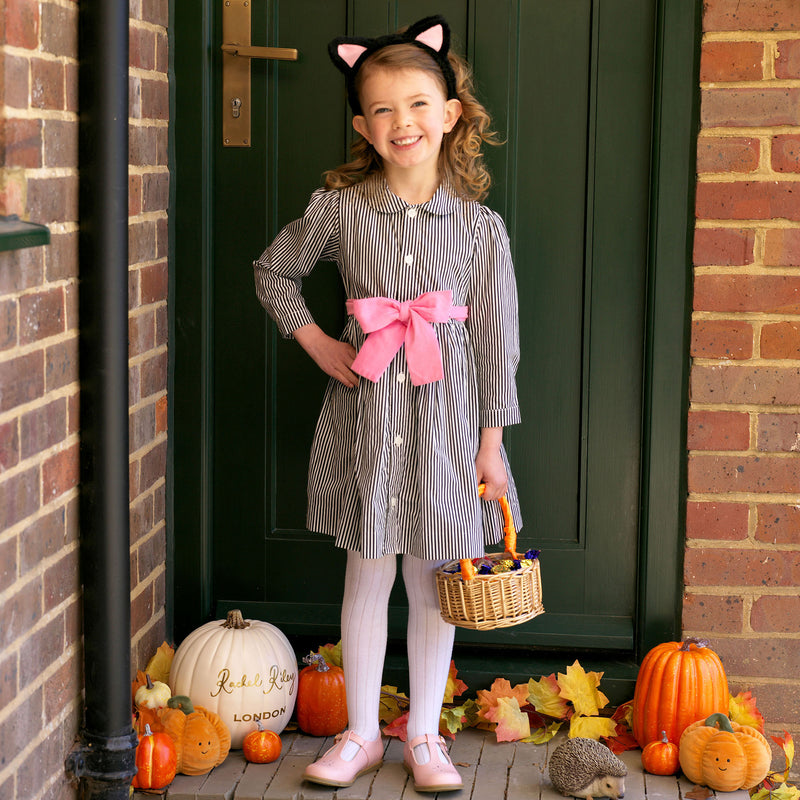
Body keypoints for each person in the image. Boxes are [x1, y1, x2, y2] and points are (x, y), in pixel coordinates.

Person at [254, 15, 522, 793]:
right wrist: (317, 341)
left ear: (451, 114)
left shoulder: (480, 230)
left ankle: (427, 738)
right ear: (362, 128)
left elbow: (498, 344)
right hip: (368, 422)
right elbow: (275, 274)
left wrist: (490, 443)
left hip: (444, 429)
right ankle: (363, 733)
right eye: (382, 110)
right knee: (366, 575)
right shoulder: (340, 211)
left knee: (435, 577)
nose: (401, 122)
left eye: (416, 104)